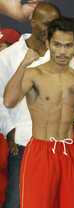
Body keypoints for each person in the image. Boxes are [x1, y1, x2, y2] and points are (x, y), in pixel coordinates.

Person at [3, 16, 74, 208]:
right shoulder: (34, 74)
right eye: (57, 44)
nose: (62, 51)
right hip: (40, 150)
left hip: (69, 152)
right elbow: (9, 101)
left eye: (68, 45)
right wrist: (23, 64)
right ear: (48, 43)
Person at [0, 3, 61, 208]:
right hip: (22, 143)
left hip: (56, 143)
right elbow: (2, 100)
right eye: (45, 23)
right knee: (17, 201)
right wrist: (10, 130)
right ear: (32, 21)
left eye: (54, 24)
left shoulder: (61, 54)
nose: (50, 29)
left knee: (51, 201)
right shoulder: (8, 56)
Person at [0, 27, 21, 208]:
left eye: (3, 48)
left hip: (15, 144)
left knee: (13, 197)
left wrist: (11, 131)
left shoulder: (25, 73)